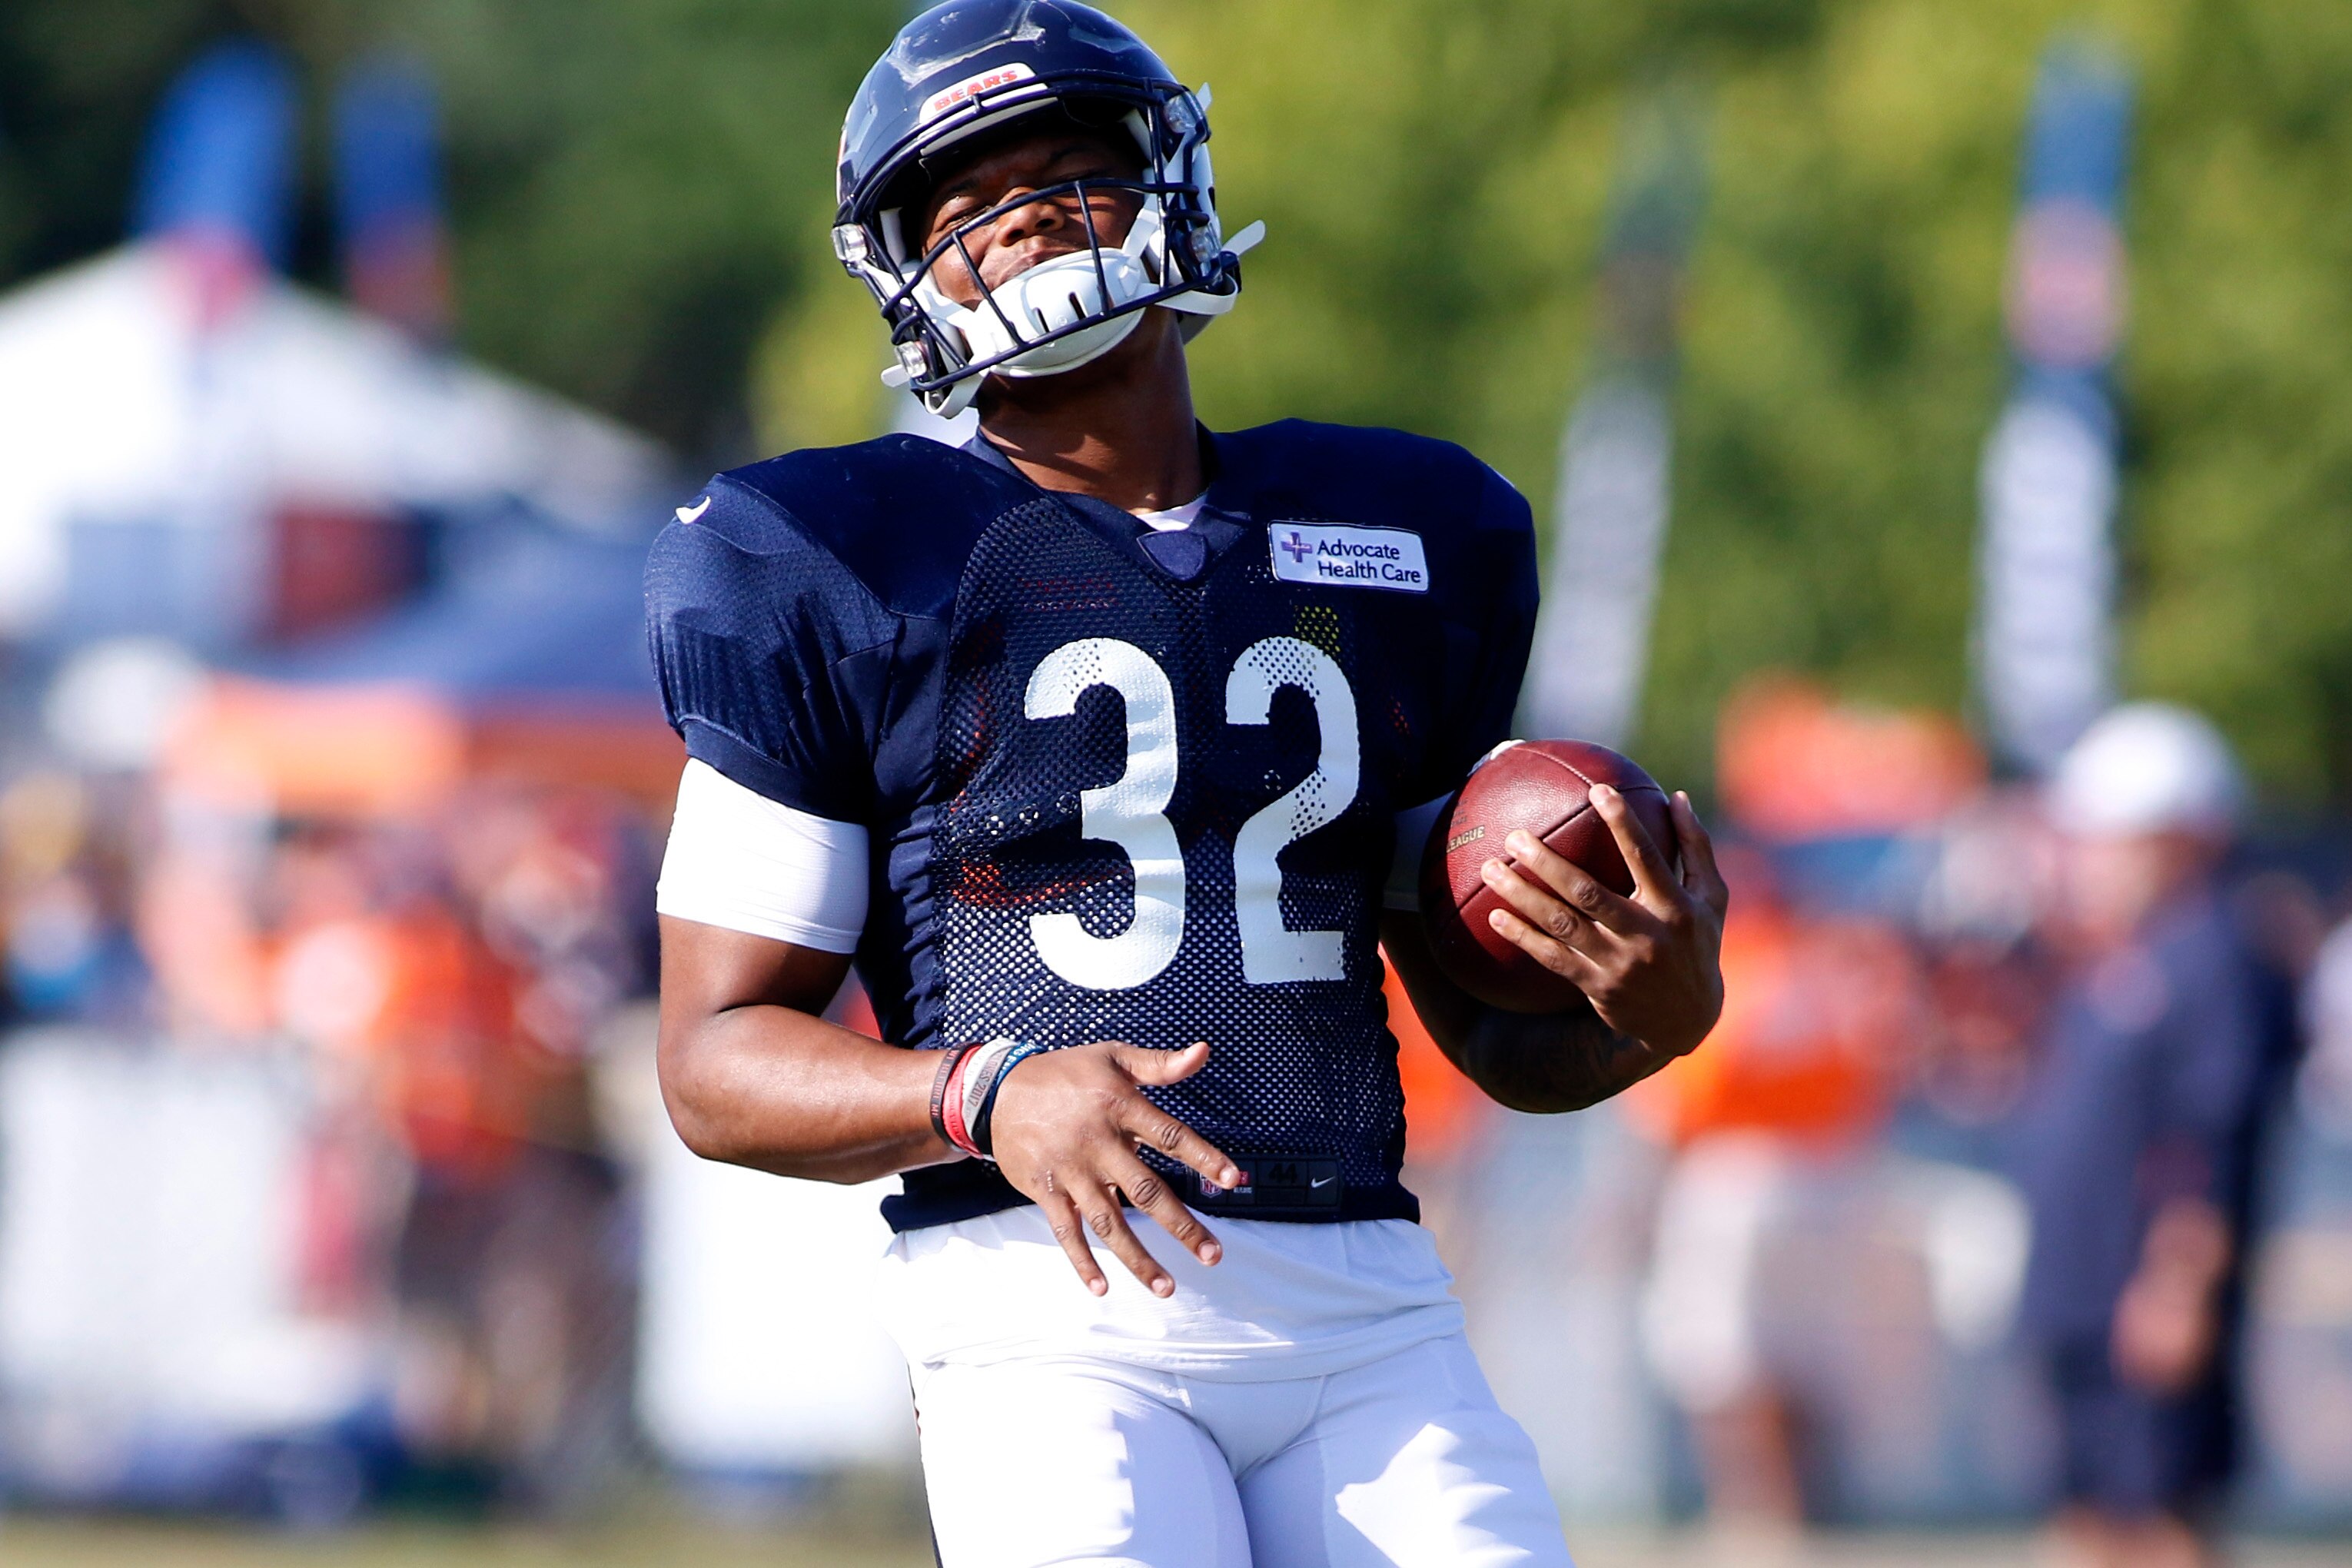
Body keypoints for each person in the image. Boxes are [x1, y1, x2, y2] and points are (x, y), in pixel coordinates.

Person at [643, 5, 1727, 1563]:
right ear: (904, 274)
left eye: (1066, 173)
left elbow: (1496, 1039)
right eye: (966, 207)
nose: (1024, 219)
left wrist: (1653, 1015)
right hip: (1048, 1300)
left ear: (1174, 184)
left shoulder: (1411, 535)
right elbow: (712, 1063)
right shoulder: (824, 558)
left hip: (1366, 1304)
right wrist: (981, 1090)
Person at [2009, 703, 2267, 1568]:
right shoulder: (2127, 958)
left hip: (2140, 1296)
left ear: (2181, 837)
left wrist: (2179, 1284)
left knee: (2159, 1523)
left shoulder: (2215, 957)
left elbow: (2211, 1137)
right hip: (2084, 1296)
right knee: (2090, 1520)